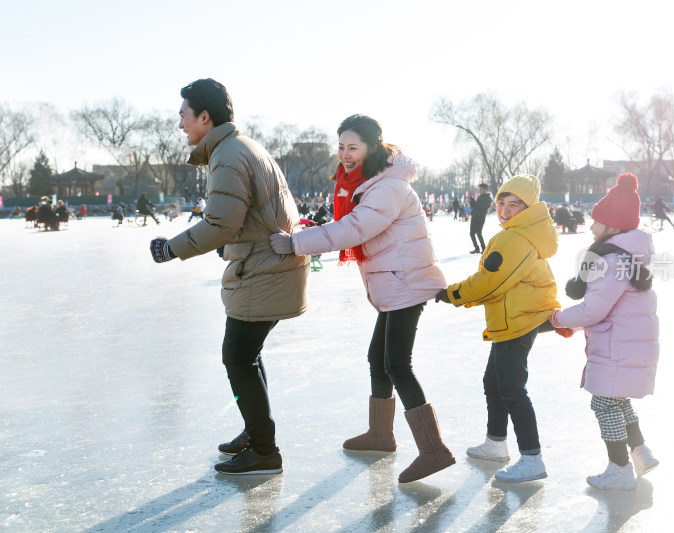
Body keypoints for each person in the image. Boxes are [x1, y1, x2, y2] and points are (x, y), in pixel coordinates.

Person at [270, 114, 455, 484]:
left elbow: (355, 228)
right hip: (394, 282)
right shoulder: (369, 183)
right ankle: (380, 434)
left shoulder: (389, 188)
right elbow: (350, 224)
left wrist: (297, 244)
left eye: (353, 147)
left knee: (397, 363)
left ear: (373, 147)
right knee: (378, 358)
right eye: (340, 147)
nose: (345, 155)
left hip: (407, 282)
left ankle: (434, 450)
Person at [149, 78, 309, 475]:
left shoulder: (227, 154)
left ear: (205, 116)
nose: (180, 124)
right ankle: (257, 434)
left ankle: (265, 451)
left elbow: (221, 221)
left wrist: (171, 248)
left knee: (237, 357)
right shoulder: (241, 147)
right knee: (245, 356)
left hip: (262, 269)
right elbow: (249, 217)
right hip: (265, 264)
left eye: (184, 115)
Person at [435, 174, 561, 483]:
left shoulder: (515, 238)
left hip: (517, 321)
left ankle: (532, 457)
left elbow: (491, 281)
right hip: (513, 318)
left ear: (527, 207)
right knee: (494, 382)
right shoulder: (520, 232)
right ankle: (495, 443)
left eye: (513, 204)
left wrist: (452, 294)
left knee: (512, 389)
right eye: (501, 203)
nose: (504, 210)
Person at [551, 173, 660, 491]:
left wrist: (558, 318)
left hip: (617, 344)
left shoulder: (610, 259)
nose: (590, 226)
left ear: (611, 225)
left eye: (596, 220)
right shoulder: (626, 256)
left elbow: (593, 309)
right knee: (616, 400)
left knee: (604, 403)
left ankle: (620, 469)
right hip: (626, 342)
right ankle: (640, 451)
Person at [469, 183, 493, 253]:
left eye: (481, 189)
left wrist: (476, 204)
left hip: (480, 217)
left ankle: (483, 248)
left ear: (485, 189)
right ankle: (477, 248)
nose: (480, 190)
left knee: (479, 232)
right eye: (479, 189)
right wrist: (472, 201)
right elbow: (475, 206)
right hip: (474, 216)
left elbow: (483, 206)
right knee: (472, 233)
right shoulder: (479, 197)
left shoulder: (488, 198)